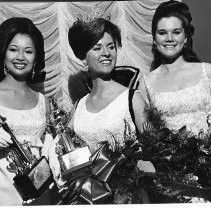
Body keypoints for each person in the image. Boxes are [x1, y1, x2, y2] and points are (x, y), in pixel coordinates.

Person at [0, 17, 53, 205]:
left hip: (39, 193)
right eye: (13, 50)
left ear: (36, 57)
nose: (21, 57)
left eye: (28, 51)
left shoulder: (44, 102)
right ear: (3, 53)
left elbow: (50, 148)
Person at [140, 0, 211, 136]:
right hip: (168, 157)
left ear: (185, 37)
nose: (169, 38)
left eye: (176, 32)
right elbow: (149, 138)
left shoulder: (207, 72)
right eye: (162, 33)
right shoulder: (145, 84)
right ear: (154, 39)